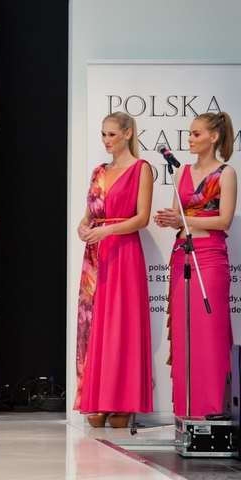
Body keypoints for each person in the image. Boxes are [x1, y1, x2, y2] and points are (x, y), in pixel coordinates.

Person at [74, 111, 154, 427]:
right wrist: (83, 227)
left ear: (128, 133)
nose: (106, 140)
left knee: (122, 324)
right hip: (96, 254)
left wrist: (107, 230)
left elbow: (142, 218)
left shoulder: (141, 169)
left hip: (124, 252)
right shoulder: (99, 172)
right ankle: (98, 397)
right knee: (96, 324)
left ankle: (122, 399)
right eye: (103, 135)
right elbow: (88, 216)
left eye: (112, 134)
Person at [154, 112, 236, 417]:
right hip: (182, 255)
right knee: (184, 334)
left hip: (211, 257)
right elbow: (179, 220)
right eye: (189, 133)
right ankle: (185, 412)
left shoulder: (226, 173)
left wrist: (184, 219)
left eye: (196, 134)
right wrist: (169, 220)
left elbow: (224, 220)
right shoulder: (182, 173)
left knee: (210, 335)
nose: (189, 139)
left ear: (213, 137)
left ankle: (213, 411)